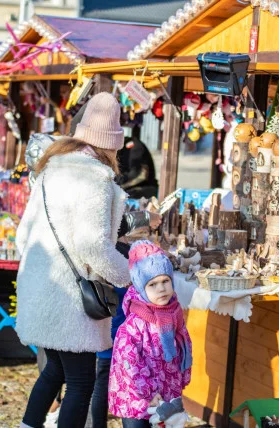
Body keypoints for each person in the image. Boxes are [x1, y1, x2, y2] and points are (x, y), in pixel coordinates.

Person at [15, 93, 131, 428]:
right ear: (110, 144)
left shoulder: (51, 170)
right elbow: (92, 245)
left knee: (55, 370)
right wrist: (128, 275)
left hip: (41, 289)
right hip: (69, 300)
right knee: (81, 380)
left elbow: (24, 236)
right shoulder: (94, 179)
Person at [108, 240, 192, 428]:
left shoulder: (174, 314)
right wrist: (150, 393)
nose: (161, 289)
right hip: (137, 399)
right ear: (140, 287)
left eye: (165, 281)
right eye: (152, 284)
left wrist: (183, 376)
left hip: (166, 394)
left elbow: (184, 345)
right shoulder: (133, 324)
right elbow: (129, 364)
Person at [116, 127, 159, 199]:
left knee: (123, 195)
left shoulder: (134, 147)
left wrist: (118, 186)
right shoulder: (122, 149)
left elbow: (140, 175)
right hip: (132, 187)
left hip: (144, 188)